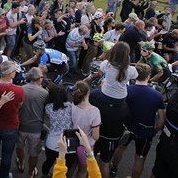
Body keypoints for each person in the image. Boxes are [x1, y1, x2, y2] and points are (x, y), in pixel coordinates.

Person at [86, 42, 138, 178]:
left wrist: (90, 78)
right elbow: (135, 75)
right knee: (105, 163)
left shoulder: (106, 64)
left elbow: (98, 73)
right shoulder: (130, 70)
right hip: (120, 102)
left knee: (92, 96)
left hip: (104, 97)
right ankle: (125, 127)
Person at [110, 63, 165, 178]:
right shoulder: (157, 95)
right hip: (145, 131)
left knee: (120, 147)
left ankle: (114, 168)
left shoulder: (126, 90)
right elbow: (161, 119)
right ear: (149, 76)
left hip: (127, 127)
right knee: (140, 158)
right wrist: (154, 131)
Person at [0, 61, 25, 178]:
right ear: (9, 74)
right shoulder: (19, 90)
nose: (15, 73)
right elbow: (21, 104)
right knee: (7, 154)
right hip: (11, 126)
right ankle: (4, 175)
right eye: (14, 71)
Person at [70, 81, 101, 178]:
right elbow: (95, 136)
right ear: (88, 92)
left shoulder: (73, 105)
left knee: (71, 167)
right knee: (83, 171)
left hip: (71, 142)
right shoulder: (95, 111)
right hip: (86, 146)